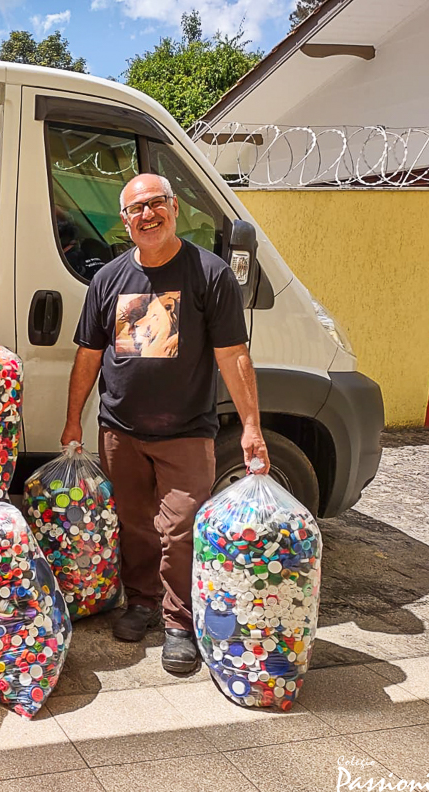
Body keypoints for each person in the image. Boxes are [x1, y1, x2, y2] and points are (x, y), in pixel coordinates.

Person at [61, 173, 270, 674]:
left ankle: (179, 623)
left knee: (180, 529)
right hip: (120, 430)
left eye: (156, 203)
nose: (147, 214)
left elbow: (233, 355)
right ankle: (141, 602)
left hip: (186, 433)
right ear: (124, 220)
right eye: (136, 208)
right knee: (134, 525)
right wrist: (73, 421)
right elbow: (88, 355)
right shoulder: (108, 279)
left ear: (175, 209)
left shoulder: (210, 274)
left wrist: (251, 427)